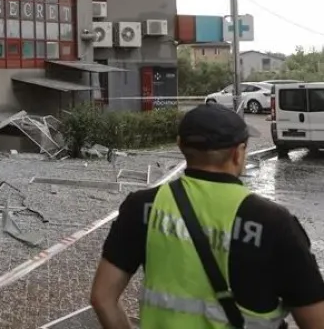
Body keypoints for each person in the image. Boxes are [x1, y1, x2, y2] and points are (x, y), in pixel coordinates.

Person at [90, 103, 324, 329]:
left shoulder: (141, 207)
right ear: (238, 153)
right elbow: (316, 321)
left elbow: (103, 298)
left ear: (180, 145)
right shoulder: (274, 223)